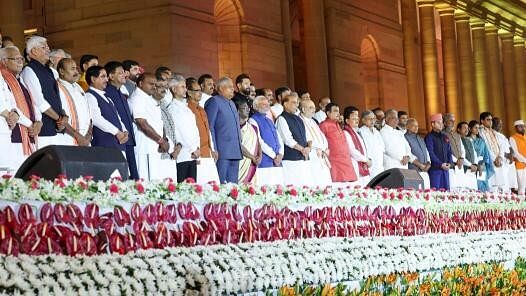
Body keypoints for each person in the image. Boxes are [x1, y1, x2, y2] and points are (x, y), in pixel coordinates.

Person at [20, 36, 69, 148]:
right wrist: (59, 118)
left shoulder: (49, 71)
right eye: (44, 47)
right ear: (34, 51)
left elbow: (57, 98)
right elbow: (39, 101)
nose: (48, 50)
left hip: (57, 128)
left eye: (47, 47)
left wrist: (64, 115)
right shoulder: (29, 70)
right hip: (43, 130)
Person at [129, 72, 176, 181]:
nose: (154, 87)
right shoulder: (137, 98)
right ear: (140, 83)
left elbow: (160, 122)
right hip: (144, 147)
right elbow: (142, 123)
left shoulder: (149, 98)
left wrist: (164, 139)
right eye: (151, 84)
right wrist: (160, 140)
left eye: (155, 84)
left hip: (156, 147)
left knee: (155, 183)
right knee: (144, 183)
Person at [0, 46, 37, 172]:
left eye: (21, 58)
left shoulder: (19, 80)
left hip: (23, 132)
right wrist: (28, 122)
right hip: (13, 133)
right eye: (16, 59)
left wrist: (35, 122)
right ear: (4, 61)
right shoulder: (5, 77)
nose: (20, 61)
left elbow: (13, 104)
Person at [103, 61, 139, 179]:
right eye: (120, 73)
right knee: (120, 176)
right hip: (117, 140)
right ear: (111, 76)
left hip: (128, 138)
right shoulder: (107, 93)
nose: (124, 75)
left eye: (124, 72)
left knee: (133, 175)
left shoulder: (121, 92)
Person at [162, 75, 200, 182]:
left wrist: (197, 147)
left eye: (185, 87)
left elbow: (194, 130)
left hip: (193, 154)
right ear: (174, 89)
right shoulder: (172, 108)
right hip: (182, 155)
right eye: (182, 87)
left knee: (192, 189)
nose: (185, 90)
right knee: (182, 188)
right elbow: (179, 132)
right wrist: (193, 148)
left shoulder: (187, 108)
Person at [205, 77, 243, 183]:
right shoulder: (214, 101)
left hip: (235, 150)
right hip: (222, 151)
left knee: (233, 185)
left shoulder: (232, 103)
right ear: (221, 88)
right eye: (230, 87)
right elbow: (210, 126)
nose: (233, 89)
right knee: (220, 184)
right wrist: (214, 148)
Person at [85, 66, 129, 157]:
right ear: (93, 79)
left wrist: (124, 131)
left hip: (118, 143)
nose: (106, 79)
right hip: (104, 145)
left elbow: (118, 118)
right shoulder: (90, 96)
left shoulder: (107, 97)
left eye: (106, 76)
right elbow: (96, 119)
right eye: (103, 76)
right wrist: (117, 132)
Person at [186, 77, 219, 184]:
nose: (200, 93)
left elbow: (208, 130)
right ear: (189, 93)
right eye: (197, 91)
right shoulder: (186, 109)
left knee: (213, 186)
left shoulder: (202, 109)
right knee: (200, 187)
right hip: (197, 154)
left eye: (200, 90)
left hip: (208, 153)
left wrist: (213, 149)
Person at [276, 94, 314, 185]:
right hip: (290, 160)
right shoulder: (281, 118)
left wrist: (309, 148)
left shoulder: (299, 119)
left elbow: (308, 137)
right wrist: (303, 149)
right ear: (285, 104)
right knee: (293, 187)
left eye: (297, 103)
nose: (296, 105)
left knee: (306, 186)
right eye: (293, 102)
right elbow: (287, 139)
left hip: (304, 158)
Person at [248, 95, 285, 185]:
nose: (267, 105)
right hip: (266, 161)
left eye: (267, 103)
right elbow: (259, 141)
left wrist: (280, 154)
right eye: (264, 104)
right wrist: (274, 156)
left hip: (277, 160)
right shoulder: (252, 120)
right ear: (256, 106)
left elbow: (279, 137)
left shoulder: (269, 120)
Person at [56, 58, 92, 147]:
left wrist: (88, 136)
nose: (76, 72)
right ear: (61, 71)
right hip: (68, 138)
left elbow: (88, 114)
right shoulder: (57, 87)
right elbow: (60, 117)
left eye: (76, 68)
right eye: (72, 69)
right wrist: (78, 137)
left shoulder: (78, 87)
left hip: (85, 140)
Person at [319, 103, 357, 183]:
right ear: (328, 113)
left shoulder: (338, 125)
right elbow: (321, 144)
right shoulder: (324, 125)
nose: (338, 113)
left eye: (338, 111)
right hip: (335, 162)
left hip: (346, 161)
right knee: (339, 188)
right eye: (335, 111)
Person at [299, 99, 332, 186]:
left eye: (314, 107)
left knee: (326, 181)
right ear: (303, 109)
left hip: (322, 154)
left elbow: (322, 137)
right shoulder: (300, 121)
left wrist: (325, 147)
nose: (314, 110)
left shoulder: (313, 121)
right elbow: (307, 138)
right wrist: (319, 148)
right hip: (313, 154)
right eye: (310, 108)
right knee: (316, 182)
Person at [443, 113, 474, 190]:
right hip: (451, 166)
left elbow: (462, 149)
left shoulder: (457, 135)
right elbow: (446, 151)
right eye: (450, 121)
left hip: (460, 165)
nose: (453, 123)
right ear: (445, 123)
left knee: (462, 189)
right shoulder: (442, 134)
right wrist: (456, 160)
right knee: (453, 189)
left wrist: (462, 159)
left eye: (454, 121)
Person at [478, 112, 507, 192]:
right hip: (489, 161)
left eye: (491, 120)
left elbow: (501, 145)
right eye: (488, 120)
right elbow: (485, 147)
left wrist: (500, 157)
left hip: (498, 160)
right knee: (492, 186)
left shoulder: (494, 132)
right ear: (482, 121)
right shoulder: (480, 132)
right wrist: (495, 159)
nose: (490, 122)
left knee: (500, 185)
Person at [343, 106, 371, 186]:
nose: (357, 119)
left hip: (363, 164)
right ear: (347, 121)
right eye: (354, 118)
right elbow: (352, 151)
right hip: (354, 165)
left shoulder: (356, 132)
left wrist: (367, 159)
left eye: (357, 117)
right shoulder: (346, 133)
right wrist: (366, 160)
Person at [424, 114, 453, 190]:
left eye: (442, 123)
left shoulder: (445, 136)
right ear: (433, 124)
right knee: (436, 193)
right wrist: (440, 164)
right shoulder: (429, 137)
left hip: (445, 169)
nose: (441, 125)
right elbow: (430, 153)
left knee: (446, 193)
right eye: (438, 123)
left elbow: (449, 152)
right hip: (435, 170)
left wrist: (450, 163)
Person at [235, 98, 261, 183]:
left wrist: (260, 156)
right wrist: (252, 157)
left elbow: (258, 143)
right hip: (240, 163)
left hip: (252, 163)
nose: (247, 110)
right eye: (244, 108)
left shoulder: (253, 127)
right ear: (238, 110)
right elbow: (238, 145)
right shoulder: (234, 127)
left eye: (248, 108)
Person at [404, 118, 431, 189]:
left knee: (427, 192)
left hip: (425, 170)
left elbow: (427, 152)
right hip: (413, 171)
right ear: (407, 126)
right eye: (413, 126)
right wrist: (420, 165)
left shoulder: (420, 138)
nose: (416, 128)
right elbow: (408, 154)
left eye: (417, 126)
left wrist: (428, 163)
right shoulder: (405, 138)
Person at [468, 120, 494, 192]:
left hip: (482, 166)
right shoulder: (467, 140)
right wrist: (475, 164)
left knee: (483, 185)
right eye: (475, 128)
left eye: (478, 128)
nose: (477, 130)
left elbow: (486, 154)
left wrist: (482, 164)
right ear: (470, 129)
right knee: (475, 186)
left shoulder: (481, 141)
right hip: (472, 166)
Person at [493, 117, 517, 193]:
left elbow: (509, 147)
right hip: (500, 161)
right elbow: (498, 148)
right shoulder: (492, 134)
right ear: (493, 124)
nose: (500, 126)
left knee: (508, 183)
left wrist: (511, 154)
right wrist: (507, 155)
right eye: (497, 124)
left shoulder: (502, 135)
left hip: (507, 162)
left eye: (500, 124)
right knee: (501, 184)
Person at [358, 110, 385, 178]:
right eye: (370, 119)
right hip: (368, 163)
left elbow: (382, 148)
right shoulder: (360, 132)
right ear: (363, 120)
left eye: (373, 119)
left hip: (379, 164)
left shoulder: (377, 132)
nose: (372, 121)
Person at [456, 121, 479, 190]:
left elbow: (474, 153)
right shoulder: (457, 140)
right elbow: (460, 156)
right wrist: (470, 165)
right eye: (464, 128)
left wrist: (475, 164)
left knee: (474, 191)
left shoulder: (469, 140)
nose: (467, 130)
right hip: (464, 169)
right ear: (458, 129)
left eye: (467, 128)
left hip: (472, 170)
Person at [510, 120, 526, 195]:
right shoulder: (512, 138)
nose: (523, 128)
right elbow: (515, 153)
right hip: (519, 165)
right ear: (516, 128)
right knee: (521, 187)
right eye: (521, 126)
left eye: (524, 126)